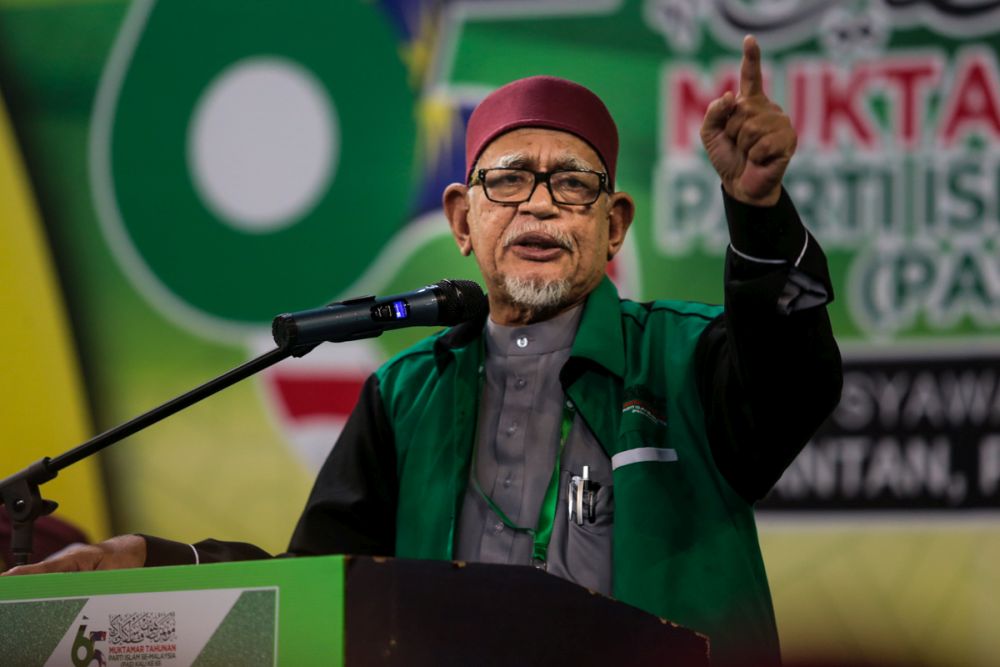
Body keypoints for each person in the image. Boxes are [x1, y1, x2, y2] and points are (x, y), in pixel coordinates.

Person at [5, 36, 841, 666]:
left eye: (572, 183)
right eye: (509, 180)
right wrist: (158, 560)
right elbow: (318, 586)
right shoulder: (404, 395)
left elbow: (795, 380)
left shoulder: (690, 357)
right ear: (461, 220)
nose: (540, 206)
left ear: (612, 224)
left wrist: (757, 210)